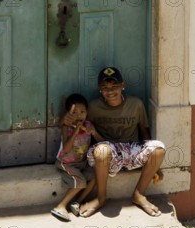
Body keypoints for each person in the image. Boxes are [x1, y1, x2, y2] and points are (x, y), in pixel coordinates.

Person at [62, 67, 166, 218]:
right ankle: (100, 197)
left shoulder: (136, 104)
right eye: (105, 88)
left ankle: (139, 194)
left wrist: (154, 164)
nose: (110, 91)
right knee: (103, 150)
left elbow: (144, 131)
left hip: (130, 149)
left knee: (159, 149)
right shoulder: (93, 107)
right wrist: (64, 122)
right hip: (106, 150)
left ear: (123, 85)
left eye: (114, 87)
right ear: (99, 89)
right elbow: (71, 120)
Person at [51, 93, 104, 222]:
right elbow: (67, 149)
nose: (79, 115)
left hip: (82, 162)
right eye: (75, 112)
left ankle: (77, 202)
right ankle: (60, 206)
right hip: (66, 162)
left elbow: (102, 142)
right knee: (80, 181)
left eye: (82, 112)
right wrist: (76, 131)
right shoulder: (66, 127)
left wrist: (94, 132)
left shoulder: (89, 125)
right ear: (68, 114)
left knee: (96, 176)